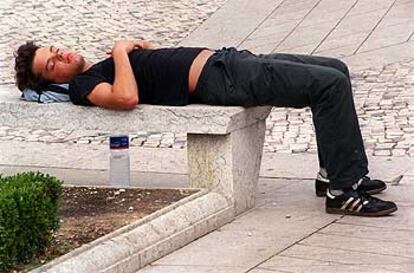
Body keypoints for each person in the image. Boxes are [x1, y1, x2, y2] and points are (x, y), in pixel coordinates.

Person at [14, 40, 397, 217]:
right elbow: (126, 98)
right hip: (223, 81)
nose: (61, 55)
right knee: (329, 86)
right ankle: (343, 191)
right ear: (53, 83)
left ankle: (333, 170)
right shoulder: (84, 87)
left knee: (335, 70)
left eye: (55, 50)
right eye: (52, 65)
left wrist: (136, 54)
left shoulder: (95, 68)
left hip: (229, 61)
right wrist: (120, 52)